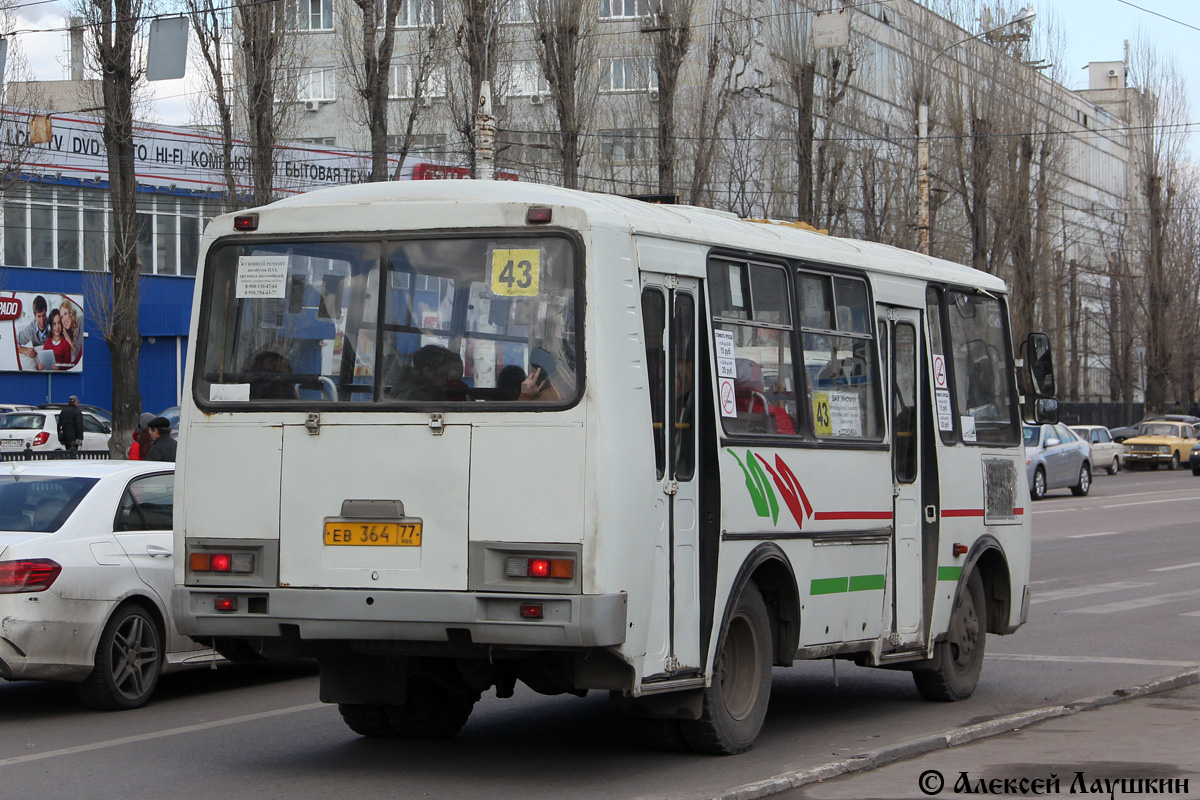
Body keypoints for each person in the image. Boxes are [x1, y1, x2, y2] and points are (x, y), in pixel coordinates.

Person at [734, 358, 795, 435]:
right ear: (757, 384)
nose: (763, 384)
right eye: (762, 380)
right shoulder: (777, 414)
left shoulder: (720, 410)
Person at [389, 345, 468, 401]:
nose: (446, 381)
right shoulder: (415, 397)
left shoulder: (428, 391)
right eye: (443, 374)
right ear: (428, 372)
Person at [16, 295, 50, 370]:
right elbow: (13, 343)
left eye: (44, 315)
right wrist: (25, 350)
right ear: (34, 316)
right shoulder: (29, 330)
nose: (42, 321)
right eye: (39, 316)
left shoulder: (52, 324)